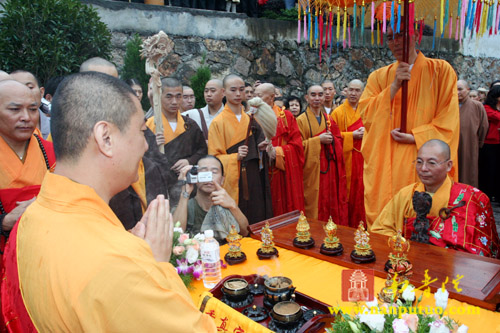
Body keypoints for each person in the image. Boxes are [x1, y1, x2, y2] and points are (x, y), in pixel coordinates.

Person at [1, 72, 217, 331]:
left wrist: (130, 248)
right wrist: (156, 268)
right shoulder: (122, 267)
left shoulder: (32, 217)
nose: (145, 146)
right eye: (140, 131)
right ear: (105, 138)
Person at [358, 24, 459, 227]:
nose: (395, 42)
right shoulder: (378, 77)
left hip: (421, 159)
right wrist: (394, 86)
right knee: (386, 222)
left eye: (401, 35)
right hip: (386, 160)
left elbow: (449, 120)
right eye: (389, 37)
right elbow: (367, 116)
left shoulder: (441, 71)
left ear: (415, 35)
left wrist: (416, 136)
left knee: (422, 221)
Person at [371, 140, 499, 258]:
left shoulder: (471, 198)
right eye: (419, 162)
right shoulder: (406, 194)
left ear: (449, 166)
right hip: (407, 263)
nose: (423, 168)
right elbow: (380, 230)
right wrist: (405, 249)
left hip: (452, 272)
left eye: (431, 163)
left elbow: (479, 250)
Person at [0, 79, 55, 258]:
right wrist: (5, 221)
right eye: (15, 110)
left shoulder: (53, 154)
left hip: (44, 254)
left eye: (32, 109)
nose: (26, 117)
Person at [208, 74, 272, 224]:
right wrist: (234, 157)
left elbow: (259, 154)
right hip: (233, 179)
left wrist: (260, 150)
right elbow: (214, 158)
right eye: (233, 90)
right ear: (223, 92)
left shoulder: (251, 119)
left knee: (255, 216)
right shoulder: (218, 122)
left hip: (253, 176)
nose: (238, 94)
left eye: (241, 89)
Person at [146, 77, 207, 199]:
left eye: (179, 96)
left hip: (186, 185)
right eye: (169, 96)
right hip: (159, 185)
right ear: (159, 96)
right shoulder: (150, 125)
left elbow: (202, 151)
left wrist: (189, 161)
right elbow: (139, 157)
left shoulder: (190, 125)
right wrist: (152, 145)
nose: (174, 102)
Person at [296, 85, 348, 224]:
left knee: (329, 198)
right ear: (307, 98)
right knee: (314, 200)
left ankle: (331, 227)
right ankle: (313, 227)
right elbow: (298, 147)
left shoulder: (329, 119)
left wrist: (333, 140)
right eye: (313, 95)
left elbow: (339, 140)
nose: (317, 98)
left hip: (329, 167)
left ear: (325, 97)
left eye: (320, 95)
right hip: (312, 169)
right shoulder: (301, 120)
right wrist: (318, 140)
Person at [255, 83, 305, 216]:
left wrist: (277, 152)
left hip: (280, 172)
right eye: (254, 95)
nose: (255, 99)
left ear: (271, 97)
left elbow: (297, 146)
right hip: (258, 169)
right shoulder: (250, 116)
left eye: (259, 96)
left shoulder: (286, 117)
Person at [172, 155, 249, 241]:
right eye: (204, 172)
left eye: (214, 172)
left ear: (222, 179)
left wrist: (233, 206)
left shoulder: (227, 205)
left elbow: (245, 232)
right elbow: (175, 236)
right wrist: (184, 194)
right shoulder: (186, 206)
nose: (209, 177)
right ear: (195, 177)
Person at [330, 79, 366, 227]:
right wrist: (352, 136)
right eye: (350, 89)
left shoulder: (367, 110)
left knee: (362, 193)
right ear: (346, 91)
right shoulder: (338, 112)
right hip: (346, 160)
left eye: (357, 90)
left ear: (362, 92)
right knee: (348, 194)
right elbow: (333, 137)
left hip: (364, 158)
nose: (353, 93)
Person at [456, 80, 488, 188]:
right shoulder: (450, 105)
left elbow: (484, 127)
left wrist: (477, 143)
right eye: (455, 89)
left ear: (468, 90)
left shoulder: (477, 106)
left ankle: (468, 198)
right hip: (452, 145)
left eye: (460, 89)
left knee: (468, 172)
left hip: (469, 145)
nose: (457, 92)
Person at [10, 70, 51, 139]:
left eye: (29, 87)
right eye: (15, 88)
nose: (23, 91)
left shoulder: (57, 128)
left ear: (41, 92)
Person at [478, 85, 500, 201]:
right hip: (489, 143)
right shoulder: (487, 108)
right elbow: (495, 116)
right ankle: (487, 193)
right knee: (488, 169)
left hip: (498, 143)